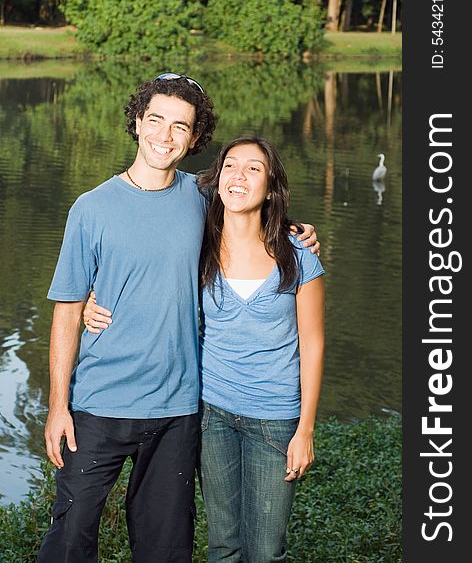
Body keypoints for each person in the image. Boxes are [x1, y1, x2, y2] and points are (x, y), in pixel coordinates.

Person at [38, 73, 318, 563]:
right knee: (70, 536)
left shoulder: (204, 199)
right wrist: (58, 404)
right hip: (100, 404)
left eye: (180, 127)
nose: (165, 136)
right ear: (137, 122)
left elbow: (253, 209)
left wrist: (300, 232)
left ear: (194, 138)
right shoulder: (90, 209)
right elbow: (65, 313)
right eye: (156, 120)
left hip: (178, 410)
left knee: (167, 546)